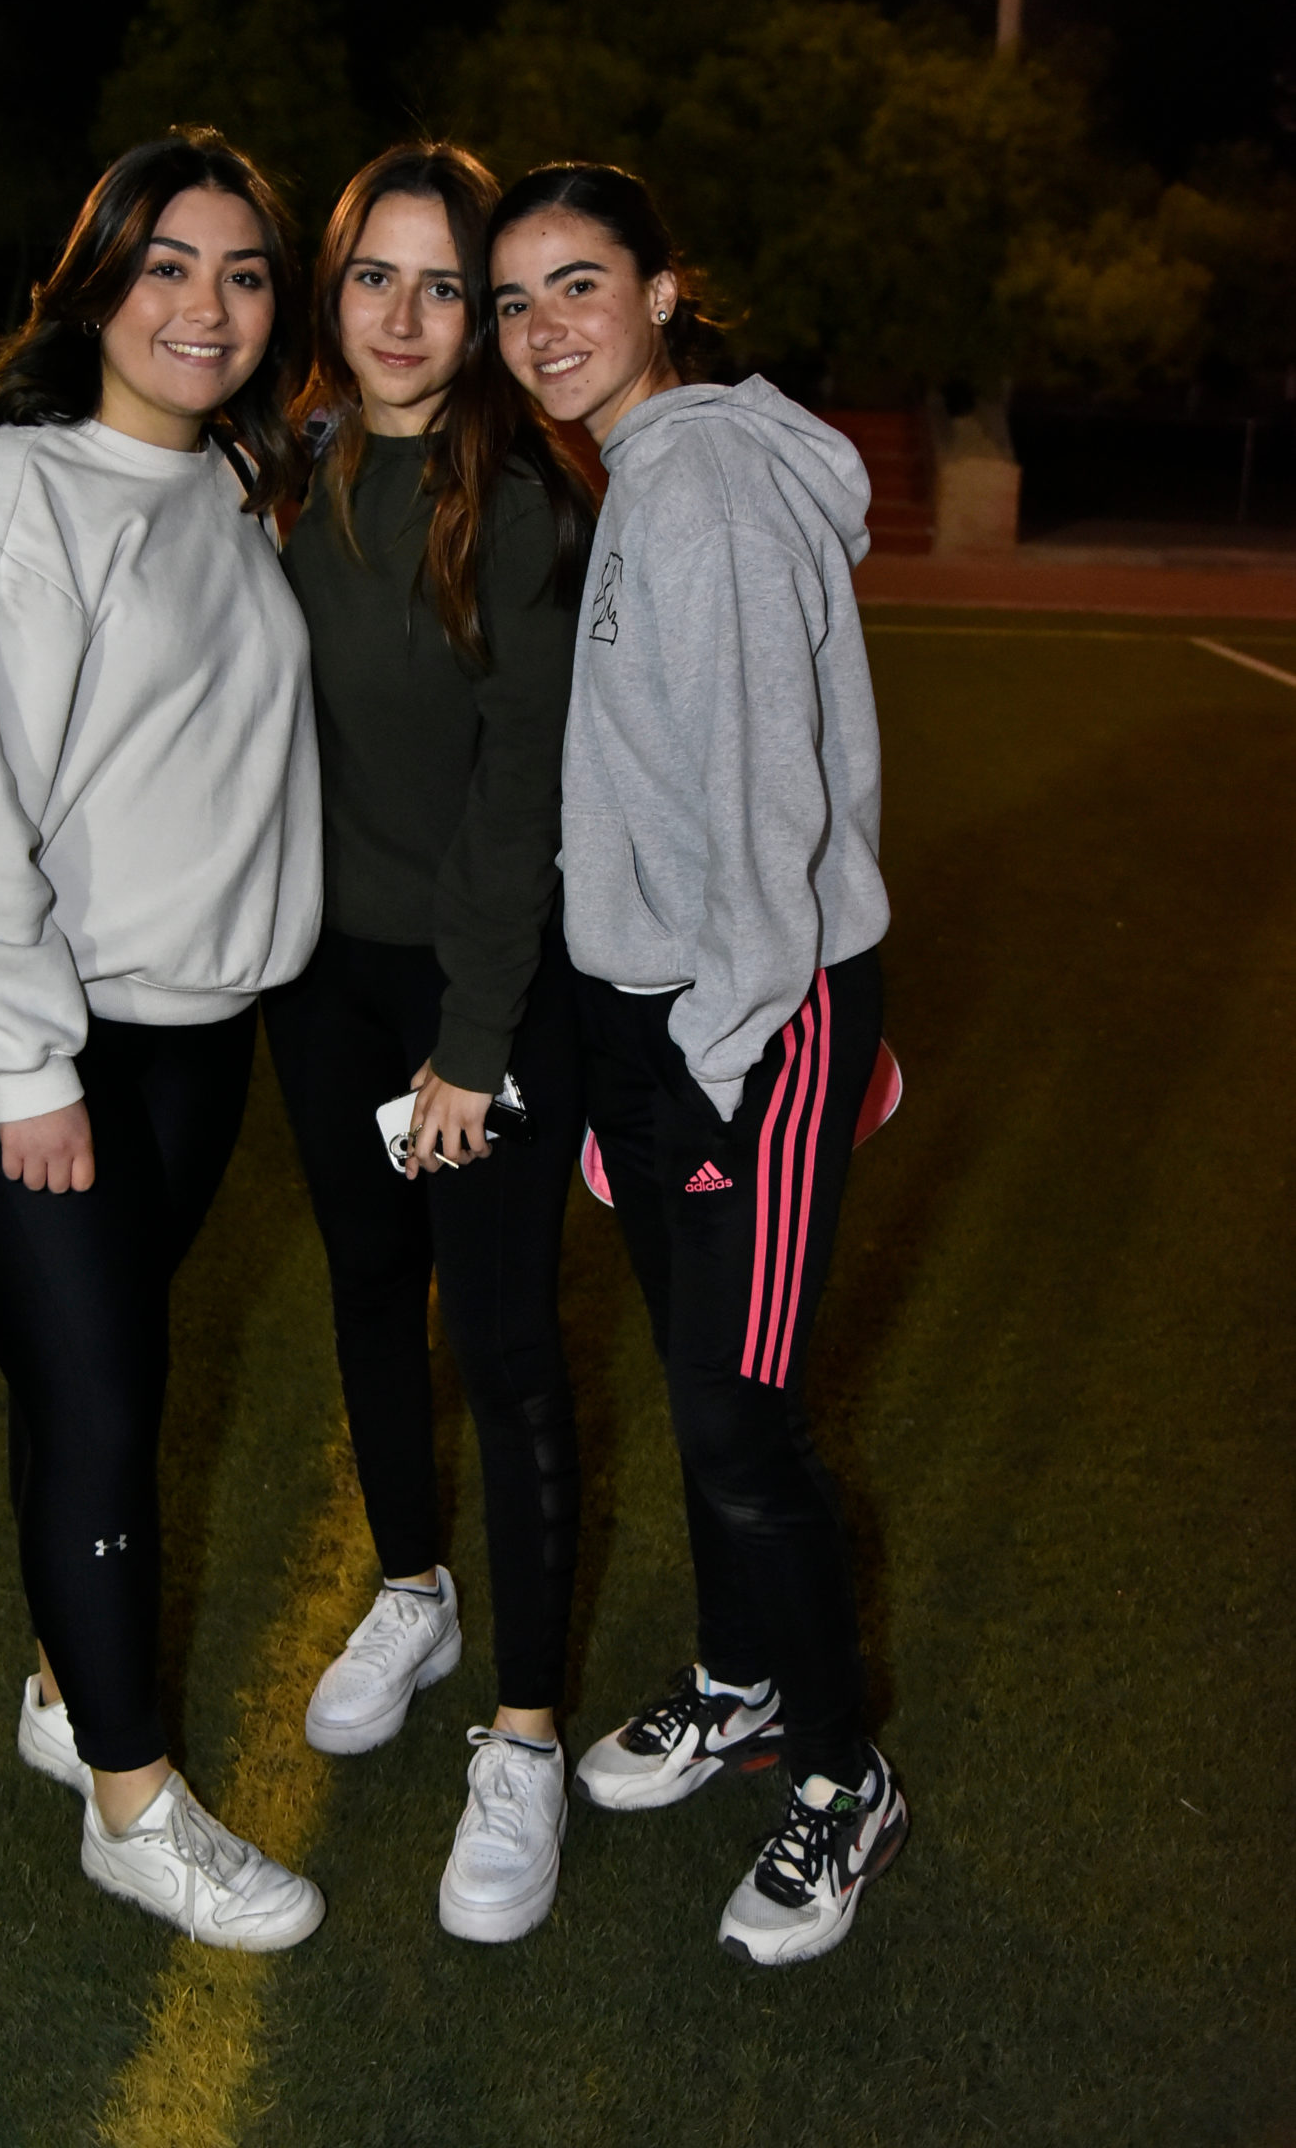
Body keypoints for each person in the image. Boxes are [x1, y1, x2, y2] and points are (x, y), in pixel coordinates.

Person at [0, 131, 328, 1951]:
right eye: (167, 267)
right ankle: (132, 1805)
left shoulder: (226, 484)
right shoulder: (4, 498)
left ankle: (69, 1693)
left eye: (243, 273)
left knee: (81, 1386)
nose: (204, 306)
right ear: (98, 282)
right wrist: (29, 1071)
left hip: (195, 1038)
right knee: (108, 1400)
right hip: (20, 1045)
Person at [489, 161, 908, 1968]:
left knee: (739, 1424)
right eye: (514, 302)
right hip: (655, 1021)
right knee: (696, 1390)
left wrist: (723, 1060)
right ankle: (740, 1680)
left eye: (578, 284)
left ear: (665, 289)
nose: (541, 330)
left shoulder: (713, 485)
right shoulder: (646, 472)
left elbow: (759, 809)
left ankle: (837, 1773)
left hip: (750, 1012)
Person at [262, 143, 594, 1943]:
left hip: (482, 995)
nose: (401, 318)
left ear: (479, 313)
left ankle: (526, 1732)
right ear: (332, 294)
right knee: (366, 1289)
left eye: (441, 285)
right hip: (322, 987)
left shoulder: (524, 505)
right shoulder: (286, 467)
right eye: (371, 278)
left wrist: (471, 1044)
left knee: (509, 1338)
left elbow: (520, 799)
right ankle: (414, 1588)